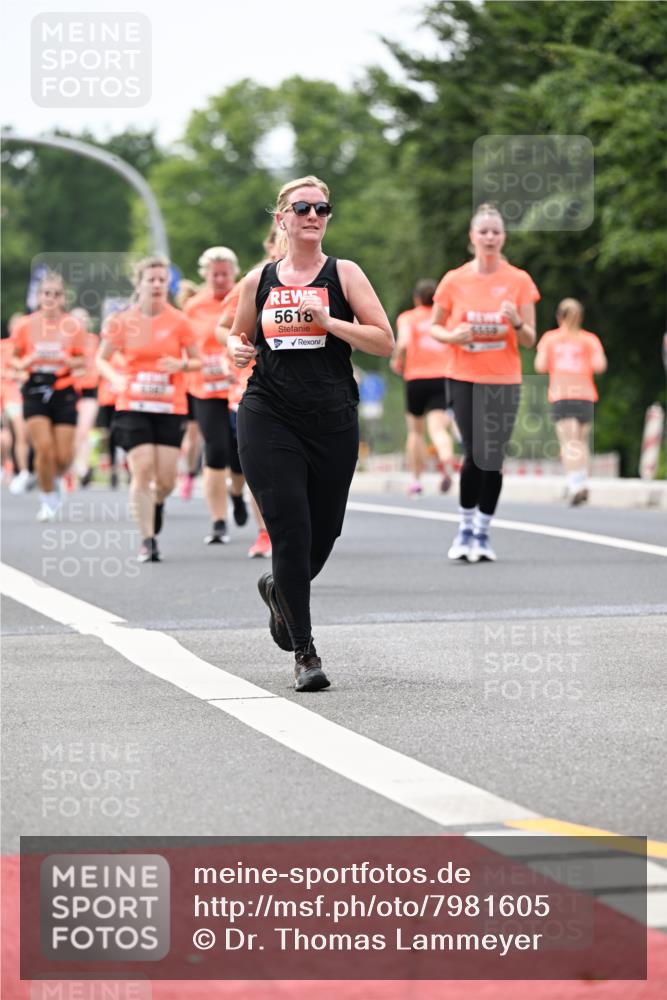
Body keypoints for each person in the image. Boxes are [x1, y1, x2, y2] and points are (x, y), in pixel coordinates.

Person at [228, 175, 393, 691]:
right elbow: (239, 335)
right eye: (303, 208)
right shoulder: (260, 280)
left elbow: (384, 342)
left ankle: (280, 589)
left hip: (333, 417)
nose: (314, 216)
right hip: (269, 412)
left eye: (323, 208)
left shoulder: (344, 274)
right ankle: (305, 653)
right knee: (291, 531)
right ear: (283, 218)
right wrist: (235, 349)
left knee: (325, 532)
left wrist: (330, 321)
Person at [431, 204, 540, 562]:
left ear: (503, 237)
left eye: (496, 231)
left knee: (493, 457)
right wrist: (452, 336)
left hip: (504, 378)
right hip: (464, 376)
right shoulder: (454, 279)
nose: (490, 237)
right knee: (475, 450)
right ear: (472, 237)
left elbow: (530, 340)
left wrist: (515, 322)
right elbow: (434, 325)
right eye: (484, 231)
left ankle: (482, 530)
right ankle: (464, 527)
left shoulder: (519, 280)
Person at [96, 255, 201, 562]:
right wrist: (115, 377)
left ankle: (156, 502)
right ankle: (147, 540)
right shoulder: (122, 321)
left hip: (170, 405)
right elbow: (102, 358)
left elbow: (195, 361)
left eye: (162, 279)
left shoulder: (179, 321)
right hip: (132, 404)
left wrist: (180, 364)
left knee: (166, 479)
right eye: (151, 279)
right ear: (139, 283)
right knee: (142, 469)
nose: (157, 284)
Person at [9, 273, 87, 521]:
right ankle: (47, 498)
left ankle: (54, 477)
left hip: (63, 389)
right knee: (43, 448)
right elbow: (13, 357)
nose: (51, 298)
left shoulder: (73, 326)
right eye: (46, 293)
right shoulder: (25, 325)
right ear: (39, 296)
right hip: (34, 389)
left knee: (63, 456)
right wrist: (26, 362)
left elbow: (83, 360)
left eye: (56, 294)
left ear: (63, 298)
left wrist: (67, 359)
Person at [183, 247, 244, 544]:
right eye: (214, 274)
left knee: (240, 456)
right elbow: (183, 344)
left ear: (234, 273)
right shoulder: (193, 307)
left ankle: (237, 493)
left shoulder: (244, 296)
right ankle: (218, 520)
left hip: (239, 385)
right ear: (205, 275)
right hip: (205, 387)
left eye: (225, 274)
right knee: (216, 450)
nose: (220, 279)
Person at [535, 298, 607, 505]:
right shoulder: (590, 339)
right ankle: (581, 481)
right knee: (581, 442)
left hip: (562, 393)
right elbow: (600, 365)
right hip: (585, 393)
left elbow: (540, 366)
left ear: (559, 317)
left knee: (568, 443)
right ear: (581, 317)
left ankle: (575, 484)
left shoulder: (550, 338)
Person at [390, 278, 456, 495]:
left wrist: (397, 360)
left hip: (416, 378)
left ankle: (416, 480)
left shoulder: (408, 317)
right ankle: (447, 461)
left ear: (416, 299)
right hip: (442, 376)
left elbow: (405, 341)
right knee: (438, 428)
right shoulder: (445, 318)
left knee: (415, 432)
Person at [71, 307, 99, 487]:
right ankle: (74, 466)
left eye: (83, 319)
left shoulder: (93, 340)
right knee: (72, 432)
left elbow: (99, 362)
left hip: (89, 389)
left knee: (84, 429)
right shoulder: (66, 341)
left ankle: (83, 466)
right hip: (69, 390)